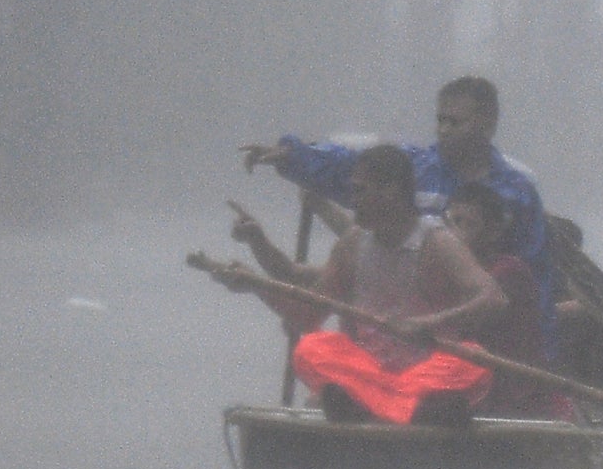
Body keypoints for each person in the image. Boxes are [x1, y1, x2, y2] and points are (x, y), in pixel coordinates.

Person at [247, 76, 556, 363]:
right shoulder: (414, 168)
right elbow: (348, 167)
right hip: (392, 326)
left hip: (471, 335)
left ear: (487, 124)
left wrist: (533, 352)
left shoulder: (516, 194)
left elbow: (530, 284)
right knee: (318, 349)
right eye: (440, 120)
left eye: (455, 122)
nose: (444, 130)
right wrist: (293, 156)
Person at [216, 141, 500, 425]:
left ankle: (390, 405)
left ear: (392, 191)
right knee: (312, 348)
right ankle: (399, 408)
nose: (354, 201)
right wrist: (256, 286)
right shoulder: (352, 244)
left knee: (474, 359)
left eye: (360, 191)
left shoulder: (437, 242)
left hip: (428, 376)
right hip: (370, 375)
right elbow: (308, 316)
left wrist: (428, 323)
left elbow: (493, 298)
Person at [439, 183, 566, 419]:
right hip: (474, 391)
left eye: (465, 224)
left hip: (518, 398)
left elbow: (464, 318)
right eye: (450, 222)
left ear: (494, 231)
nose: (453, 234)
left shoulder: (509, 272)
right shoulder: (448, 273)